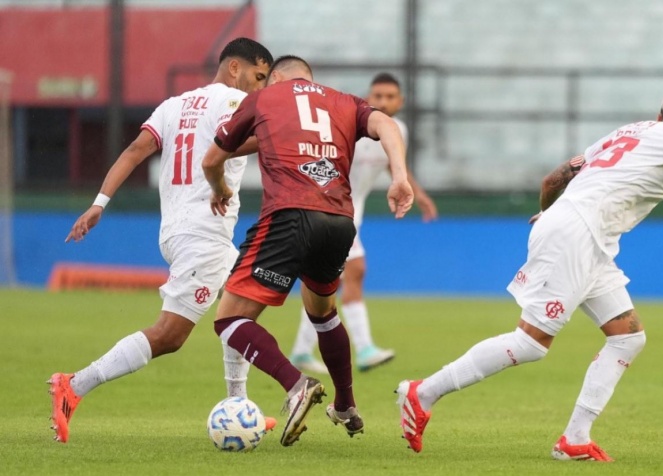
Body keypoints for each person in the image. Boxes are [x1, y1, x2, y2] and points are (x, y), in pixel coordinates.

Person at [396, 92, 663, 460]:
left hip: (584, 235)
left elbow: (556, 176)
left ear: (659, 114)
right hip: (578, 233)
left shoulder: (625, 132)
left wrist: (547, 213)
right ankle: (423, 393)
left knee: (628, 336)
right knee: (530, 343)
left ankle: (575, 438)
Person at [48, 38, 274, 443]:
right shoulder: (234, 103)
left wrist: (100, 202)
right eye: (259, 77)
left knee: (240, 309)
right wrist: (285, 138)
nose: (259, 88)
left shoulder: (174, 106)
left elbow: (137, 149)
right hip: (202, 232)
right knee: (170, 335)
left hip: (176, 230)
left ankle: (238, 406)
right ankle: (75, 384)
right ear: (235, 68)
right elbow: (238, 144)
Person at [202, 55, 414, 447]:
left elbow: (213, 158)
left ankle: (295, 384)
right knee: (324, 314)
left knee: (228, 319)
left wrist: (219, 189)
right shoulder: (343, 101)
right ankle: (346, 405)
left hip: (289, 215)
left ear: (278, 77)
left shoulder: (265, 98)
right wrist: (400, 176)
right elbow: (384, 123)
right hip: (338, 222)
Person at [289, 72, 438, 374]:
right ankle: (365, 348)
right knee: (355, 271)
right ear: (369, 98)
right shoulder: (351, 127)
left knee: (327, 283)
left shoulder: (398, 131)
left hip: (352, 215)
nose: (382, 102)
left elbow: (397, 166)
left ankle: (302, 351)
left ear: (400, 101)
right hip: (333, 212)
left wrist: (419, 194)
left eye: (389, 97)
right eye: (377, 96)